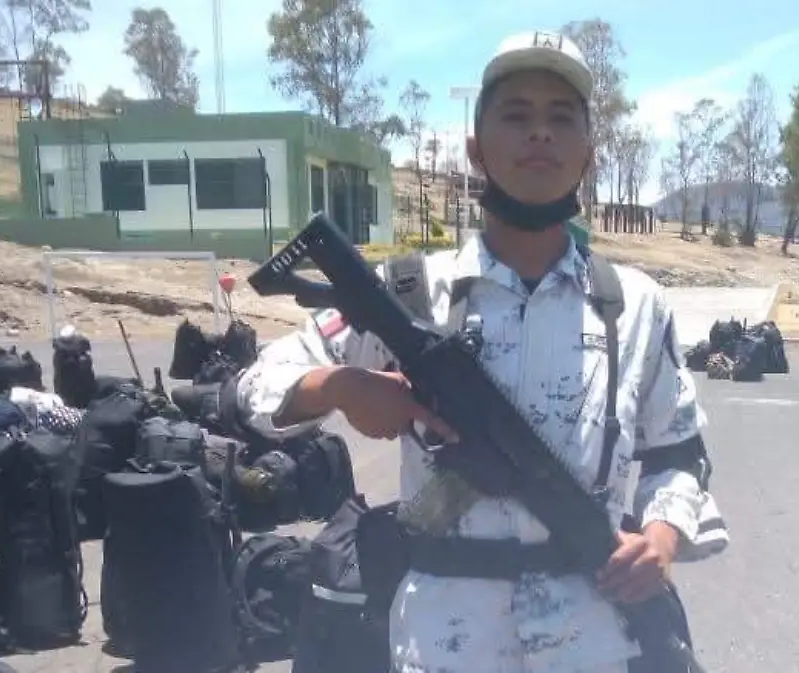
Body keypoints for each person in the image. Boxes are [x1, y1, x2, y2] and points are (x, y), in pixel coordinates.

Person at [234, 30, 727, 673]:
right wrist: (343, 388)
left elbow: (678, 455)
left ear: (588, 154)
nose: (540, 133)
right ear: (475, 149)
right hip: (446, 642)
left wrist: (661, 537)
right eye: (516, 115)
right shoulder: (411, 294)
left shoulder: (634, 305)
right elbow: (257, 384)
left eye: (561, 118)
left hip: (595, 638)